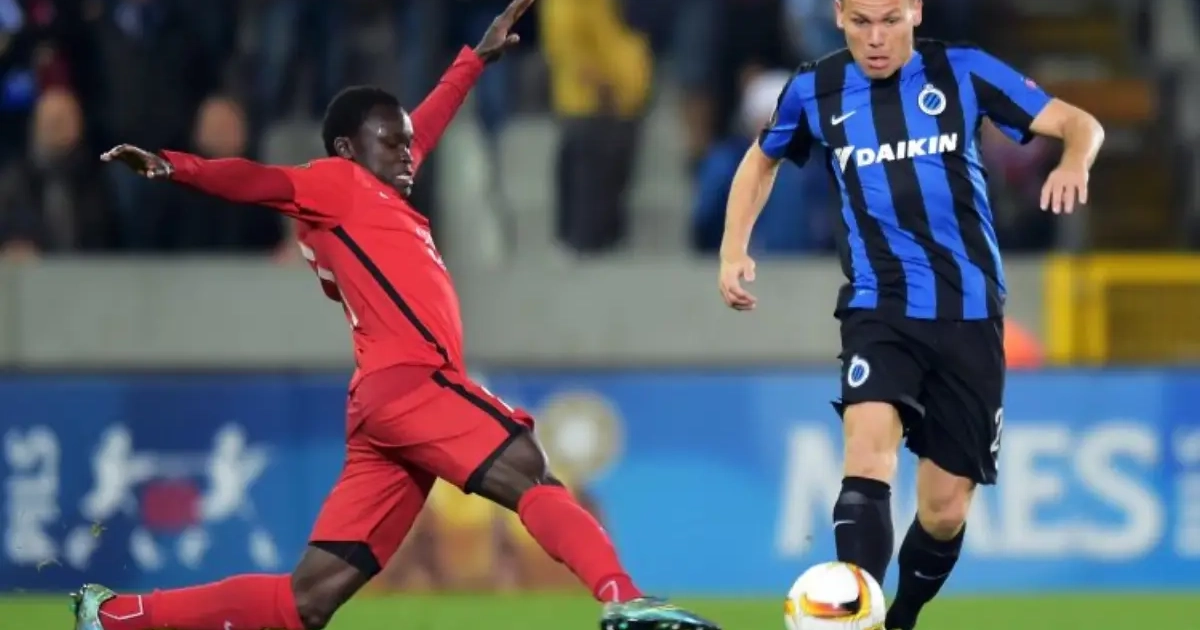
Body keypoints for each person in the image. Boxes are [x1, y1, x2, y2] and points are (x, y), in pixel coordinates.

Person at [73, 3, 719, 630]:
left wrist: (474, 60)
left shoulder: (373, 191)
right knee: (529, 467)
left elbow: (425, 123)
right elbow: (256, 179)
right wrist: (174, 166)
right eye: (392, 143)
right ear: (346, 148)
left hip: (382, 406)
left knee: (308, 600)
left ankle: (115, 616)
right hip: (414, 383)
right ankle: (623, 599)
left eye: (408, 144)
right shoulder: (336, 184)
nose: (408, 153)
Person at [716, 1, 1104, 629]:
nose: (876, 38)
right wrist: (734, 248)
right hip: (880, 304)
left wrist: (1073, 160)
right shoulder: (815, 88)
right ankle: (853, 617)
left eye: (890, 20)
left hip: (970, 312)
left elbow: (1081, 123)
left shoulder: (964, 71)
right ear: (839, 15)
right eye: (861, 22)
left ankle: (901, 619)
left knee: (945, 510)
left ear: (915, 11)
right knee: (867, 456)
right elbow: (762, 159)